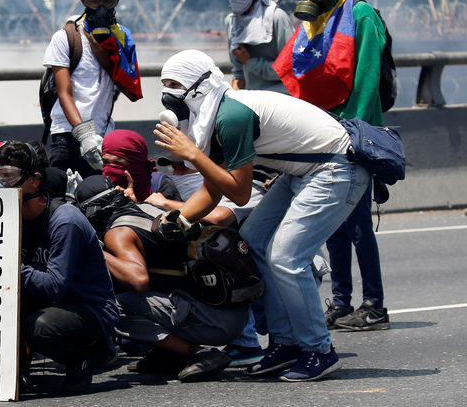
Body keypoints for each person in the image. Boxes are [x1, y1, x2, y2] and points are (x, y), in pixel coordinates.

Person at [154, 49, 369, 382]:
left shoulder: (231, 117)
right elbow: (214, 188)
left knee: (287, 258)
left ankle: (318, 350)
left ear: (198, 86)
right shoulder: (213, 115)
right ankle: (285, 343)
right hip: (301, 171)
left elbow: (238, 193)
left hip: (335, 168)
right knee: (253, 240)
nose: (169, 94)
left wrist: (193, 155)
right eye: (164, 84)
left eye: (174, 84)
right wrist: (182, 219)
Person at [274, 0, 390, 331]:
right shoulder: (315, 23)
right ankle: (342, 302)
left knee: (357, 227)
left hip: (352, 137)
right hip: (319, 138)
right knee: (332, 228)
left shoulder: (361, 15)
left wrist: (357, 136)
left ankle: (374, 305)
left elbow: (368, 82)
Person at [75, 175, 248, 382]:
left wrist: (94, 249)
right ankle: (170, 354)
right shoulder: (148, 208)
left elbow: (138, 281)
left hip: (214, 321)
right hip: (230, 311)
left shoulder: (118, 232)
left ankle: (197, 353)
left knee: (109, 306)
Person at [0, 140, 118, 393]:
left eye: (10, 176)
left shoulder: (65, 221)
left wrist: (6, 262)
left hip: (88, 309)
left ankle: (87, 354)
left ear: (34, 180)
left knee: (38, 327)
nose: (1, 184)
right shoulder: (8, 214)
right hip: (50, 303)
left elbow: (54, 287)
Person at [42, 0, 141, 178]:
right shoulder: (66, 37)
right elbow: (64, 92)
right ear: (84, 1)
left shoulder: (122, 37)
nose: (102, 8)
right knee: (65, 202)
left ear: (117, 0)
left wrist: (105, 55)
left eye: (109, 1)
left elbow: (133, 93)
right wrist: (85, 135)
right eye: (95, 1)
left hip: (104, 137)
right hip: (67, 135)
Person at [219, 0, 294, 93]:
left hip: (281, 97)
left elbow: (290, 69)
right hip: (251, 98)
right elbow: (238, 72)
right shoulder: (231, 21)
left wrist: (251, 62)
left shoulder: (277, 17)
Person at [101, 129, 181, 204]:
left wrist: (134, 207)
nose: (110, 169)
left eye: (118, 163)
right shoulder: (100, 186)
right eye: (105, 162)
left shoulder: (159, 184)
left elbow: (180, 215)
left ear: (136, 162)